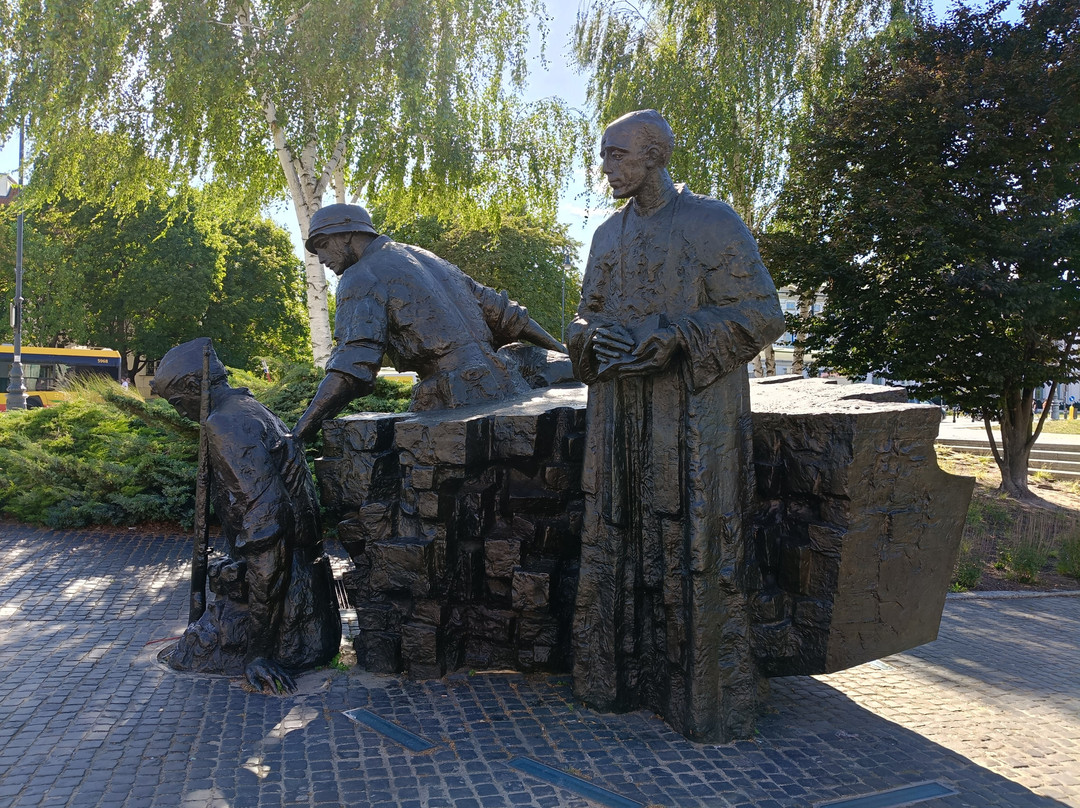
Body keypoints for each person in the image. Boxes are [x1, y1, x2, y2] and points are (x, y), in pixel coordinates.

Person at [567, 109, 785, 742]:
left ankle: (704, 700)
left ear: (653, 155)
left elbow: (762, 312)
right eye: (605, 155)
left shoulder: (711, 222)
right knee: (618, 532)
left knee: (696, 540)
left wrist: (679, 339)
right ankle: (618, 681)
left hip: (693, 414)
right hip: (620, 413)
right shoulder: (608, 235)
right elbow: (584, 316)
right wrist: (589, 339)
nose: (605, 166)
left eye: (615, 154)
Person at [153, 338, 341, 693]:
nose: (180, 412)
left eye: (178, 403)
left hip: (288, 628)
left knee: (193, 653)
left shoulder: (224, 423)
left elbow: (266, 532)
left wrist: (259, 653)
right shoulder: (253, 409)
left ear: (196, 386)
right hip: (311, 614)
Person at [293, 204, 567, 442]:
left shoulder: (359, 276)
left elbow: (351, 366)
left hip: (452, 398)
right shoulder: (425, 257)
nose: (321, 258)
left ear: (349, 234)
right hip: (506, 381)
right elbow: (506, 314)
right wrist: (561, 350)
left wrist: (300, 432)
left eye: (324, 244)